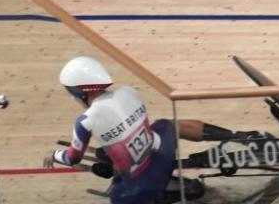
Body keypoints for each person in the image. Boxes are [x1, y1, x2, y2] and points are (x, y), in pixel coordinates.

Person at [43, 56, 254, 204]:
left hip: (145, 175)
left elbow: (72, 158)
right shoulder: (127, 91)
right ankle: (236, 136)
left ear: (79, 92)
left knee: (118, 198)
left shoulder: (85, 121)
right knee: (167, 124)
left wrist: (54, 155)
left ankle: (180, 191)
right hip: (162, 147)